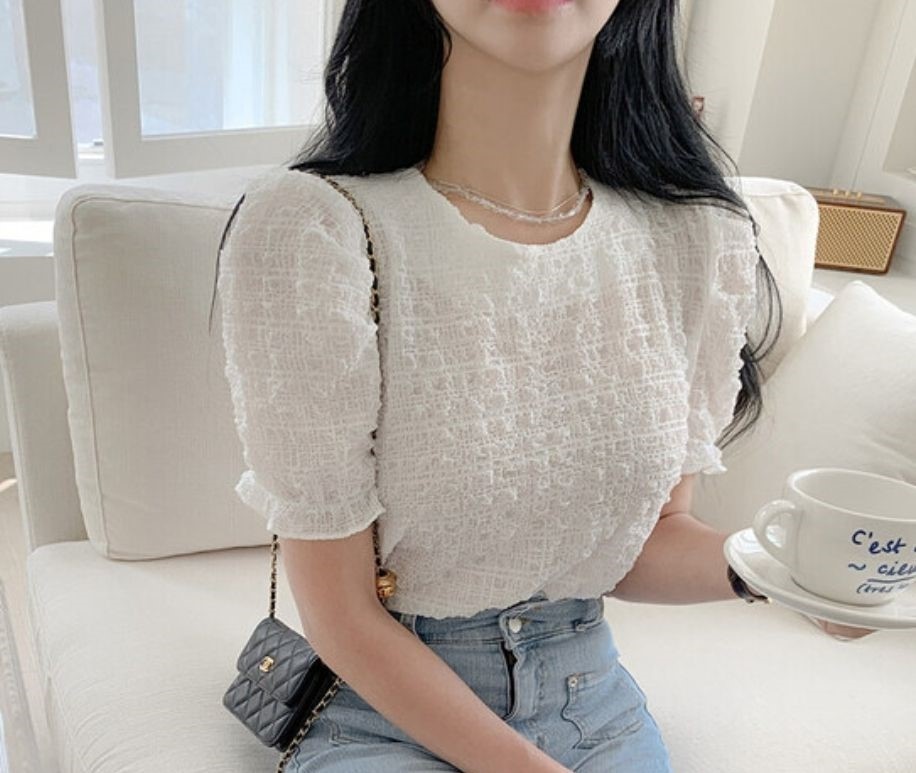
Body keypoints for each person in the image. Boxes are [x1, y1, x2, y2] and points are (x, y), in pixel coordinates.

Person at [208, 1, 834, 770]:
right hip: (383, 711)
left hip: (592, 706)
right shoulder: (317, 231)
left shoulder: (690, 236)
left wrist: (786, 568)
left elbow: (643, 543)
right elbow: (339, 613)